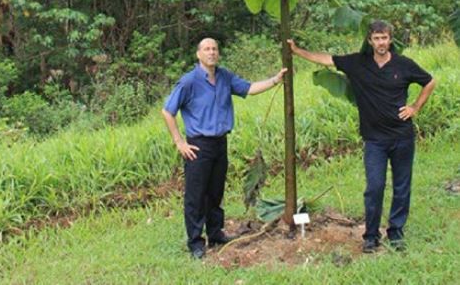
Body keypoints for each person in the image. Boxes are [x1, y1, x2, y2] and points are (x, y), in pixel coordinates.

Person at [288, 20, 436, 252]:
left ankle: (396, 232)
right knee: (375, 187)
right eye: (377, 38)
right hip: (374, 140)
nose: (381, 43)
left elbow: (430, 81)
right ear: (370, 40)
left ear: (390, 40)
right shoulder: (358, 63)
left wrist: (415, 107)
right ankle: (370, 235)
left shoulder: (403, 65)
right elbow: (327, 59)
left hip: (401, 137)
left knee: (401, 186)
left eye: (385, 38)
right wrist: (297, 51)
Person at [162, 37, 286, 259]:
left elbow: (249, 88)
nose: (211, 52)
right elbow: (167, 111)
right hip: (198, 145)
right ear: (199, 55)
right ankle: (195, 243)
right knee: (196, 196)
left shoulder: (224, 76)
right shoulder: (189, 82)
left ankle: (215, 233)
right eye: (207, 49)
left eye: (215, 49)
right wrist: (179, 141)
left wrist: (275, 80)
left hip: (220, 143)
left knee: (215, 192)